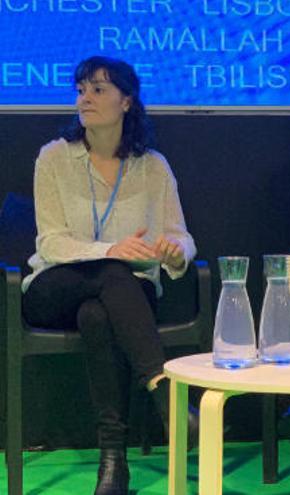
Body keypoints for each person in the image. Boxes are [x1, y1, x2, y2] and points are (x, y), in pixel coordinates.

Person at [21, 56, 198, 495]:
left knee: (99, 314)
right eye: (81, 89)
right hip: (55, 286)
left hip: (123, 299)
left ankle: (113, 463)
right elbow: (52, 243)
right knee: (114, 272)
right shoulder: (55, 158)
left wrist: (175, 252)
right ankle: (162, 387)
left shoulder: (152, 166)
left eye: (98, 89)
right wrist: (110, 251)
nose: (85, 98)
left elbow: (181, 236)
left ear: (127, 101)